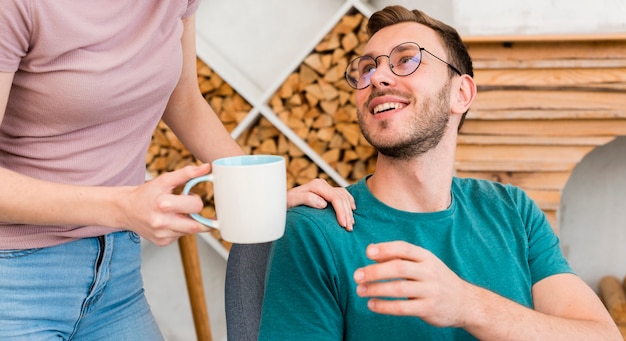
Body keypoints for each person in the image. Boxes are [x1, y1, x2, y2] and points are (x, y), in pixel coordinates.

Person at [259, 5, 622, 340]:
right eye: (367, 67)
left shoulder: (513, 211)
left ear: (460, 93)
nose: (377, 77)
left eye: (406, 60)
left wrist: (466, 305)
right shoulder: (315, 231)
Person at [0, 1, 355, 339]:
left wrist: (261, 193)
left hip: (117, 268)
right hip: (15, 273)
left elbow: (184, 101)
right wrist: (123, 206)